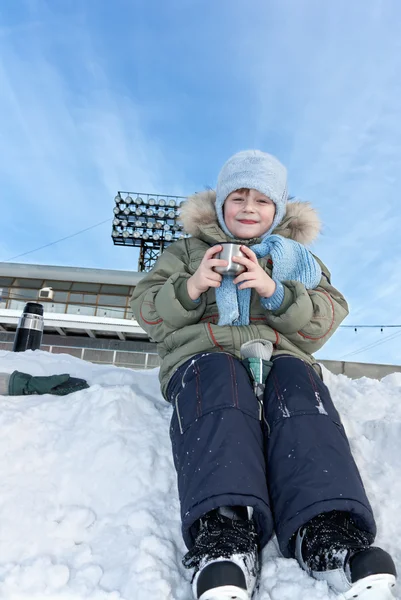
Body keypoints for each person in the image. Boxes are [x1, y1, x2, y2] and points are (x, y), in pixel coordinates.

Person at [131, 150, 397, 600]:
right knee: (218, 388)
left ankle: (328, 531)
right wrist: (192, 286)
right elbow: (147, 312)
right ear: (220, 205)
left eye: (262, 200)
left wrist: (276, 292)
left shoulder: (298, 259)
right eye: (238, 197)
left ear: (278, 210)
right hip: (206, 357)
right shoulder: (185, 251)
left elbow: (325, 320)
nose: (250, 208)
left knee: (300, 394)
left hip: (280, 356)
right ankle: (225, 535)